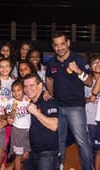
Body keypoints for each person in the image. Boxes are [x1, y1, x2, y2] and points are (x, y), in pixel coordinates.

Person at [46, 31, 93, 170]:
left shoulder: (79, 60)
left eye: (62, 44)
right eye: (56, 45)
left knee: (82, 141)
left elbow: (90, 82)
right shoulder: (51, 62)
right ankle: (59, 166)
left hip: (75, 107)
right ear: (53, 46)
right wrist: (50, 93)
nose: (60, 48)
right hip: (58, 107)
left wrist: (78, 71)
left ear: (68, 43)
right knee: (59, 141)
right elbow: (49, 79)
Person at [23, 73, 59, 170]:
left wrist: (36, 113)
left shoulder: (48, 101)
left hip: (47, 152)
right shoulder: (28, 102)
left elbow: (54, 125)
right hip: (32, 151)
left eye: (31, 85)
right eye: (25, 86)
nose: (28, 89)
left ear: (40, 85)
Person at [5, 80, 31, 170]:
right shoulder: (10, 102)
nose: (16, 93)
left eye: (18, 90)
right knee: (18, 156)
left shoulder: (27, 98)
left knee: (26, 154)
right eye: (14, 91)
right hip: (18, 131)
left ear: (23, 89)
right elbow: (10, 117)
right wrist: (13, 110)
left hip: (29, 130)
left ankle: (10, 167)